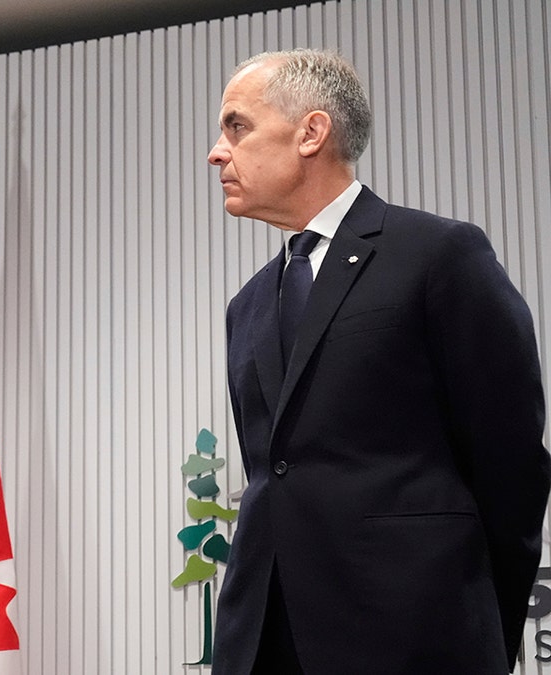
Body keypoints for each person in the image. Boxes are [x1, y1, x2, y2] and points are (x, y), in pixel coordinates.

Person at [209, 49, 550, 674]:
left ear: (311, 132)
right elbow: (274, 473)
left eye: (237, 126)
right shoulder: (247, 305)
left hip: (415, 638)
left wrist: (474, 622)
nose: (216, 152)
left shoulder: (439, 255)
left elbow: (513, 465)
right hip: (260, 643)